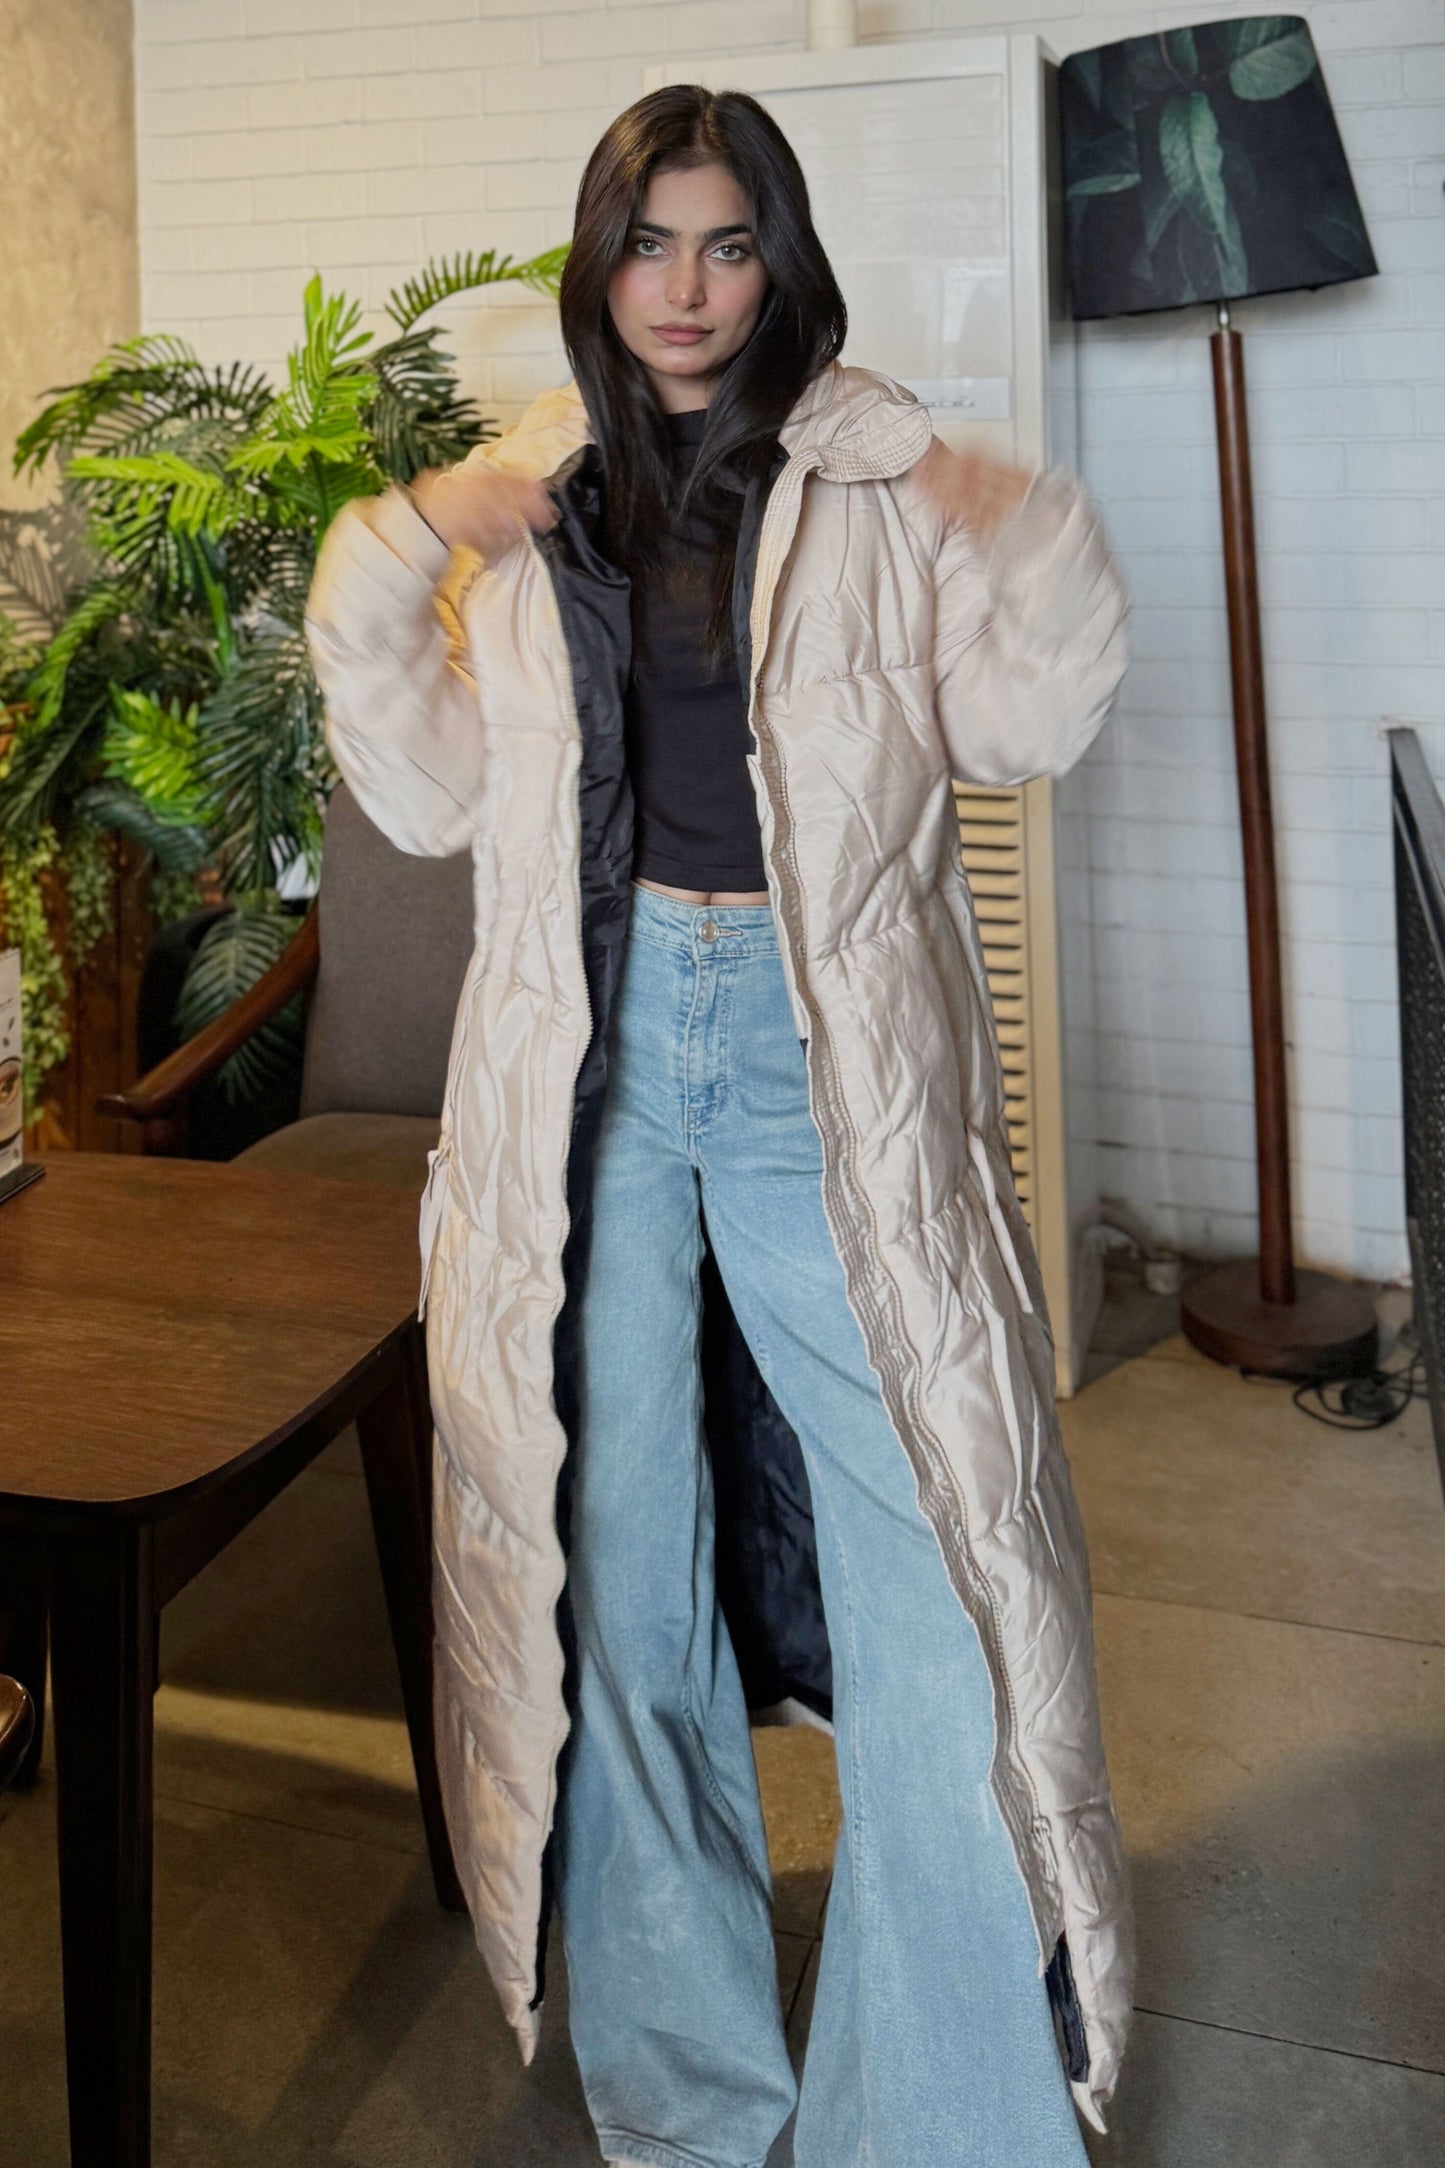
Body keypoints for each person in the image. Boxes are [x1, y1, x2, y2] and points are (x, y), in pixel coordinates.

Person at [306, 83, 1134, 2168]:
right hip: (586, 1066)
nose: (684, 290)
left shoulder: (870, 471)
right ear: (600, 265)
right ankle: (685, 2093)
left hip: (803, 1048)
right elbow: (425, 792)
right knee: (617, 1566)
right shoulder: (539, 495)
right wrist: (403, 547)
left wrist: (1018, 531)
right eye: (649, 244)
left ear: (781, 263)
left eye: (727, 243)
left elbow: (1025, 723)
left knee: (931, 1559)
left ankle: (937, 2114)